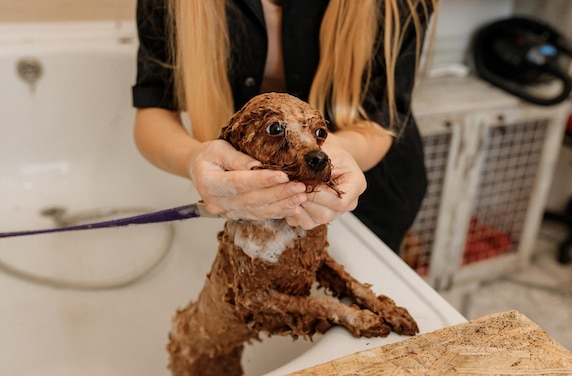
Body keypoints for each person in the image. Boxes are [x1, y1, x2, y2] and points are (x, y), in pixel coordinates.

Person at [132, 0, 436, 254]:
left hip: (374, 201)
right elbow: (155, 108)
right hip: (245, 208)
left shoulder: (399, 5)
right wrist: (192, 159)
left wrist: (340, 152)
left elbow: (383, 115)